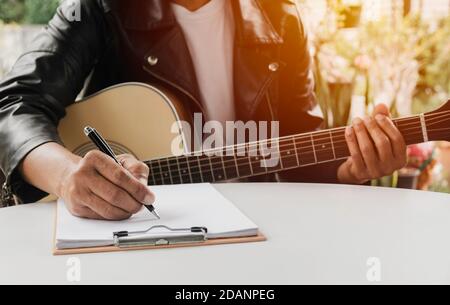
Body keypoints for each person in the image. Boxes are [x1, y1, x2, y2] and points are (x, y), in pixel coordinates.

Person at [0, 0, 407, 219]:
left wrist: (349, 170)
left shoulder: (280, 18)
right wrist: (68, 174)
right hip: (139, 237)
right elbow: (14, 105)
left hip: (257, 237)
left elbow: (297, 149)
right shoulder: (100, 8)